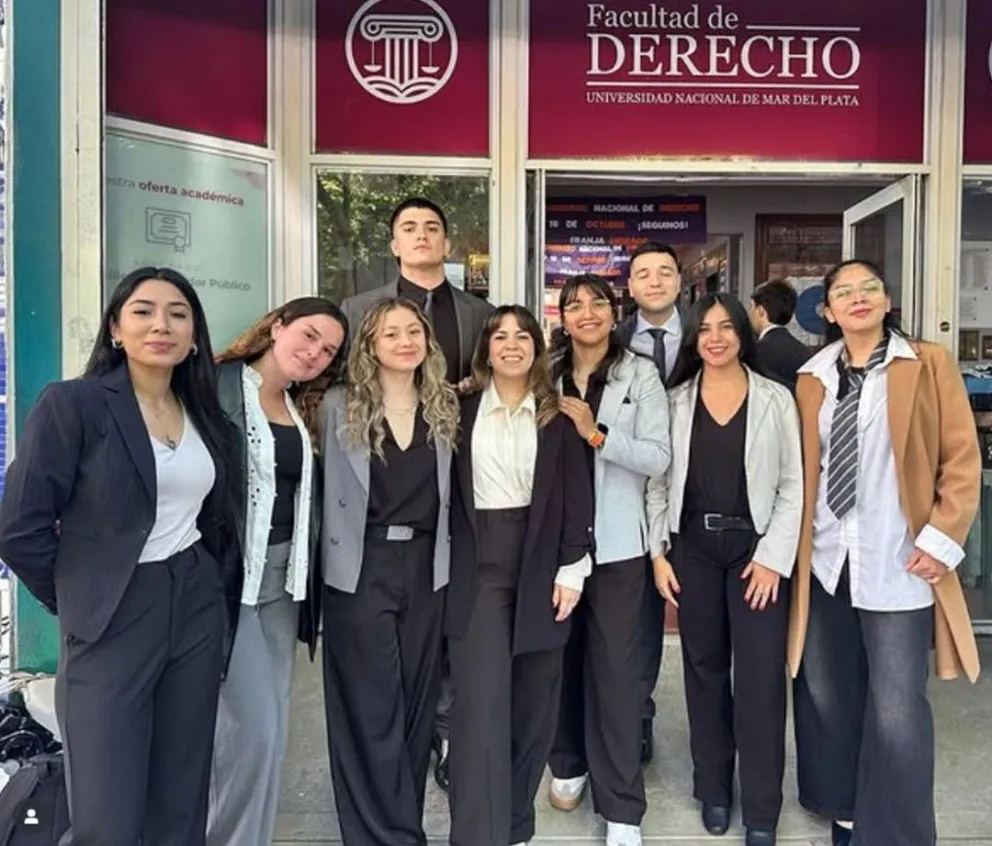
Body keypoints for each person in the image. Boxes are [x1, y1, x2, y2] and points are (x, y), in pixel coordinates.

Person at [0, 267, 239, 846]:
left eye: (178, 314)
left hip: (194, 604)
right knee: (108, 806)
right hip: (110, 611)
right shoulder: (75, 405)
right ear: (115, 328)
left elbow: (213, 517)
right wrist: (80, 597)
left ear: (194, 336)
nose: (162, 324)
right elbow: (19, 526)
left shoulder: (205, 415)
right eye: (144, 311)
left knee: (182, 793)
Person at [787, 259, 982, 846]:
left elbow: (961, 457)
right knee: (829, 693)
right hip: (826, 561)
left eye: (867, 288)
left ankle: (897, 833)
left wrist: (942, 536)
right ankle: (845, 810)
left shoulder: (926, 364)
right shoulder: (812, 377)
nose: (857, 299)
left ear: (887, 299)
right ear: (827, 311)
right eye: (842, 293)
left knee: (897, 706)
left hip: (899, 559)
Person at [340, 196, 493, 790]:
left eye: (434, 227)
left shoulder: (479, 314)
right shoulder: (359, 309)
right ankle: (401, 742)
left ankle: (446, 733)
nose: (422, 235)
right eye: (410, 227)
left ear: (447, 243)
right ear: (395, 243)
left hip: (455, 481)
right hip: (385, 482)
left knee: (445, 624)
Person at [647, 293, 803, 846]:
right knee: (704, 673)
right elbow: (659, 481)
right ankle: (713, 790)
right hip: (693, 552)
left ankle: (762, 809)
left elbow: (792, 487)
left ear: (743, 333)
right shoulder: (674, 400)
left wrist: (771, 560)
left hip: (754, 555)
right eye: (704, 329)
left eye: (725, 327)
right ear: (694, 340)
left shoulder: (774, 400)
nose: (715, 337)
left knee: (760, 682)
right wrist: (658, 553)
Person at [446, 305, 595, 846]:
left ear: (537, 347)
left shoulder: (557, 416)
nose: (511, 344)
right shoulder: (458, 408)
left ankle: (513, 827)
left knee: (534, 709)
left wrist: (573, 568)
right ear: (485, 348)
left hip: (541, 567)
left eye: (522, 336)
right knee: (481, 710)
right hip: (478, 569)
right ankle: (475, 835)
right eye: (500, 336)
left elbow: (578, 495)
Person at [207, 298, 348, 846]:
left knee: (272, 731)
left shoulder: (296, 405)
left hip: (285, 584)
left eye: (328, 350)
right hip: (229, 582)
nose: (314, 353)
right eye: (309, 336)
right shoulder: (215, 386)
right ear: (277, 325)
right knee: (251, 732)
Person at [319, 297, 460, 846]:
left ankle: (403, 825)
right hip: (361, 566)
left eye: (412, 331)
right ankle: (383, 834)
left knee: (418, 705)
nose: (404, 341)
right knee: (369, 706)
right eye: (390, 334)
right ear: (370, 347)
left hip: (427, 567)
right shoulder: (338, 406)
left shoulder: (444, 406)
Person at [547, 274, 671, 846]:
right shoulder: (544, 374)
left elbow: (657, 457)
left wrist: (596, 434)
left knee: (618, 677)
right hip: (556, 548)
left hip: (619, 547)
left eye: (598, 302)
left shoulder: (638, 372)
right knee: (560, 663)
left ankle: (622, 806)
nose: (587, 312)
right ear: (563, 316)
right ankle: (567, 761)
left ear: (614, 312)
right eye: (576, 304)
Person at [614, 240, 684, 763]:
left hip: (697, 497)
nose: (655, 281)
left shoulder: (715, 334)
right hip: (630, 500)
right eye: (644, 273)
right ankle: (634, 715)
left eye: (664, 272)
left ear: (679, 280)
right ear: (631, 286)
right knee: (635, 617)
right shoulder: (610, 342)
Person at [749, 279, 811, 393]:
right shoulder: (803, 350)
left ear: (761, 311)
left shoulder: (756, 352)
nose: (750, 313)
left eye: (752, 307)